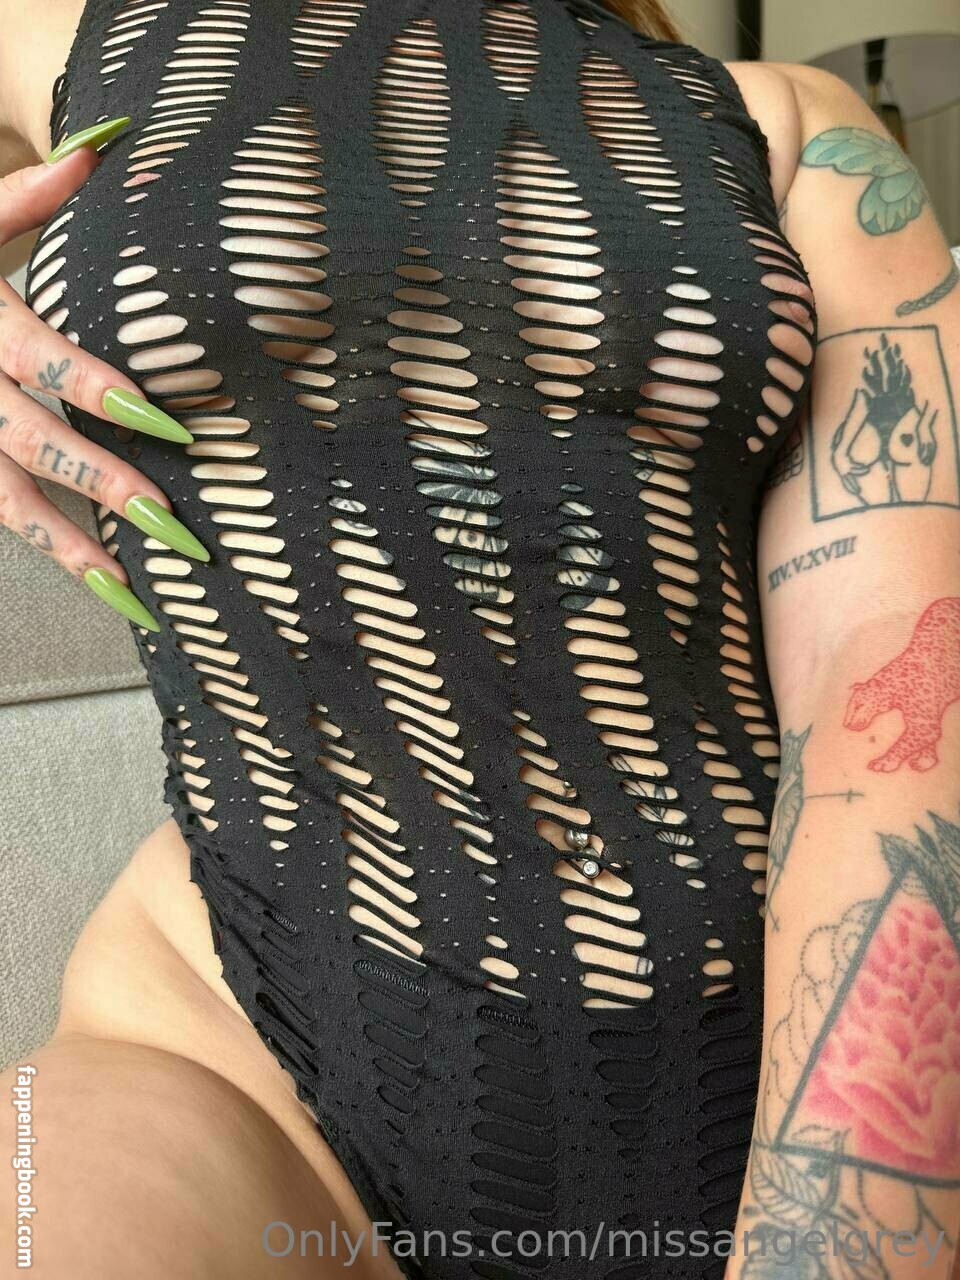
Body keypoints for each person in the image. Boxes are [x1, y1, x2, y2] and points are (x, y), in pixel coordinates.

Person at [1, 1, 958, 1277]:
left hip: (792, 1016)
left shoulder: (790, 124)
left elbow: (892, 670)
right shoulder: (57, 25)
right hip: (237, 1031)